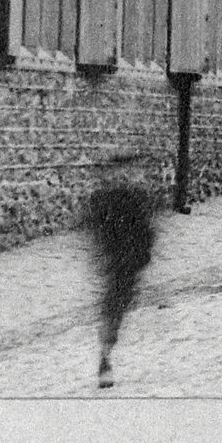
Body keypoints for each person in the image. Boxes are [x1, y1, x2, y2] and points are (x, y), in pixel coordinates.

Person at [83, 155, 160, 390]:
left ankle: (106, 354)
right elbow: (97, 230)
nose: (130, 174)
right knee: (114, 309)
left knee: (116, 308)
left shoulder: (137, 198)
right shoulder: (108, 200)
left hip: (128, 262)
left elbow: (147, 230)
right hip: (119, 263)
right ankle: (105, 359)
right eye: (125, 170)